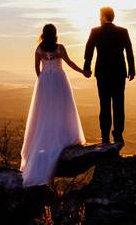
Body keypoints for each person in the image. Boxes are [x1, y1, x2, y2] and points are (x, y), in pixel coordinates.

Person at [19, 23, 88, 187]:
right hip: (59, 80)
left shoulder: (39, 49)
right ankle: (63, 135)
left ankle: (47, 137)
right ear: (55, 34)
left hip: (45, 82)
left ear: (43, 34)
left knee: (44, 113)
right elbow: (69, 63)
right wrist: (83, 72)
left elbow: (37, 68)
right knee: (62, 109)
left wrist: (43, 80)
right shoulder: (59, 48)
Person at [83, 6, 135, 144]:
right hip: (119, 72)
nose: (99, 18)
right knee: (119, 104)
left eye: (100, 15)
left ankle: (105, 136)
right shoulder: (123, 32)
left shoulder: (95, 32)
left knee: (104, 104)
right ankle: (118, 134)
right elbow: (129, 51)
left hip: (103, 73)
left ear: (104, 16)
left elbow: (89, 49)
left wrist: (87, 67)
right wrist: (132, 69)